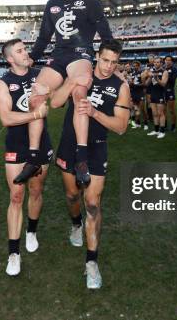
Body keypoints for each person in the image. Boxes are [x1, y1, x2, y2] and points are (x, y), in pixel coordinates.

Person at [16, 0, 113, 188]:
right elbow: (44, 37)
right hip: (59, 55)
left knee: (79, 95)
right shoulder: (51, 4)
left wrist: (111, 63)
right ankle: (33, 158)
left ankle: (81, 159)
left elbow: (106, 35)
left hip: (81, 54)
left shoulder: (90, 0)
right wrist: (32, 57)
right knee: (35, 98)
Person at [51, 39, 130, 289]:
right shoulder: (81, 72)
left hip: (96, 147)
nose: (108, 66)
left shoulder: (120, 86)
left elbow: (121, 127)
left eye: (114, 62)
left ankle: (92, 263)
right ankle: (76, 224)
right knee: (72, 196)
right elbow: (55, 102)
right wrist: (72, 82)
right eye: (105, 60)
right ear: (97, 56)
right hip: (69, 143)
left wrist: (95, 113)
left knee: (93, 204)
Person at [0, 39, 52, 276]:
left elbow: (57, 99)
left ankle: (31, 231)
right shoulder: (3, 83)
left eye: (24, 48)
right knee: (16, 196)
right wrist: (35, 114)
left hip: (41, 144)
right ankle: (13, 253)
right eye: (19, 51)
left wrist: (49, 92)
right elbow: (6, 119)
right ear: (10, 59)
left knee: (36, 191)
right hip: (15, 145)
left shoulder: (41, 74)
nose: (25, 52)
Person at [145, 56, 166, 138]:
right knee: (154, 114)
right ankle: (156, 130)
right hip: (153, 94)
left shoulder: (164, 72)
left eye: (158, 62)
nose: (156, 63)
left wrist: (156, 78)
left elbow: (163, 84)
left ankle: (162, 131)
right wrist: (150, 76)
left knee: (161, 113)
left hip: (160, 94)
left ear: (161, 63)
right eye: (155, 62)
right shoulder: (151, 71)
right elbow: (146, 84)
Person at [128, 61, 147, 129]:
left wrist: (136, 85)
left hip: (140, 92)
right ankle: (138, 123)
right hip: (134, 93)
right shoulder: (132, 73)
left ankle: (145, 124)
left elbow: (144, 84)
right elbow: (131, 83)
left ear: (139, 66)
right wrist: (130, 83)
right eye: (134, 66)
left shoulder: (142, 73)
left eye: (136, 65)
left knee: (142, 109)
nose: (135, 67)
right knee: (136, 109)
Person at [163, 56, 177, 133]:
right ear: (164, 61)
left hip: (170, 91)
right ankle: (164, 125)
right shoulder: (163, 69)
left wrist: (166, 75)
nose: (167, 61)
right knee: (163, 110)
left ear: (172, 61)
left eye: (169, 60)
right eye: (166, 60)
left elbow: (172, 80)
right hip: (162, 91)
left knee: (171, 110)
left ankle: (173, 126)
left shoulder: (174, 69)